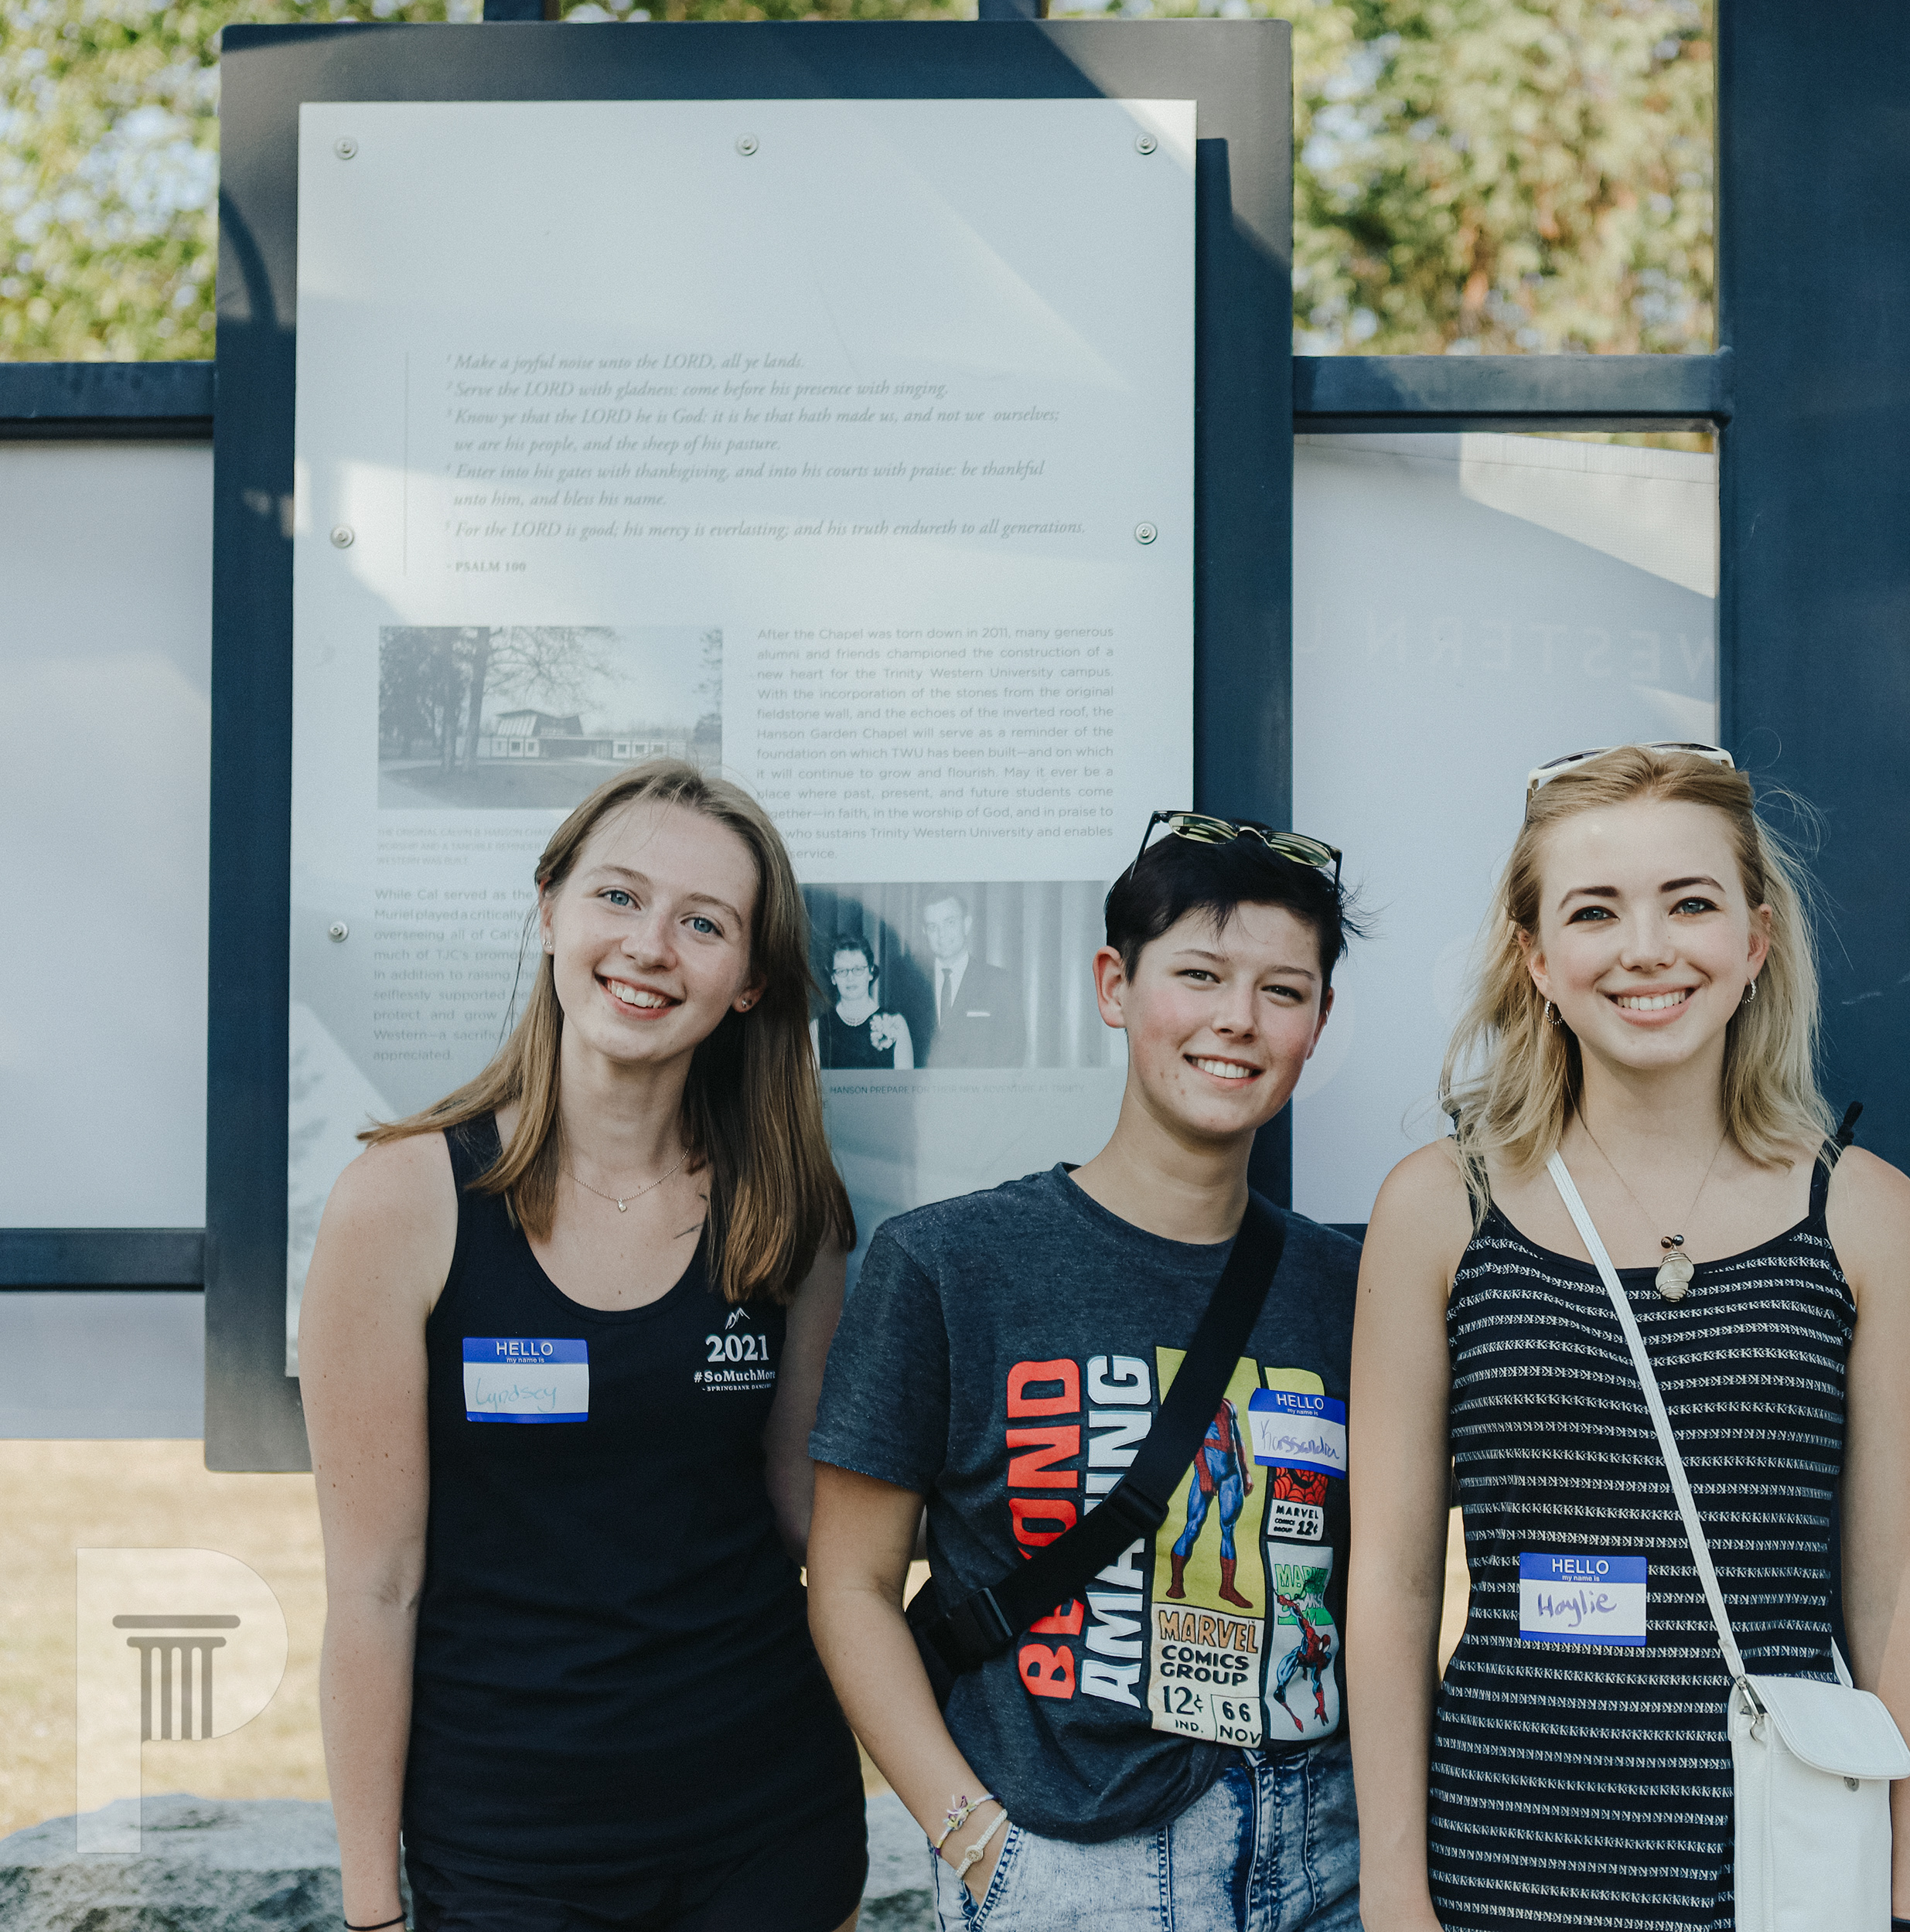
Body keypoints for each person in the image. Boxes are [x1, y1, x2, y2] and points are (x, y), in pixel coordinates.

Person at [1346, 743, 1910, 1932]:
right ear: (1536, 957)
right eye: (1594, 912)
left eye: (1690, 903)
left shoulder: (1864, 1214)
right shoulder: (1439, 1207)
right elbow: (1396, 1581)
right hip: (1500, 1869)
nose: (1646, 948)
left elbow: (1896, 1588)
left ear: (1756, 940)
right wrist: (1394, 1893)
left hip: (1779, 1874)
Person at [302, 759, 867, 1932]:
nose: (650, 947)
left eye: (703, 923)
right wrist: (370, 1909)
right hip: (512, 1851)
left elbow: (811, 1521)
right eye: (619, 896)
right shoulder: (402, 1203)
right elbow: (374, 1586)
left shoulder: (789, 1211)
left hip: (771, 1830)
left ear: (750, 982)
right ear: (550, 907)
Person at [805, 810, 1366, 1932]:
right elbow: (851, 1587)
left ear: (1318, 1022)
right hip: (1075, 1869)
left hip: (1324, 1857)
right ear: (1116, 985)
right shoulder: (949, 1267)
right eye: (1199, 974)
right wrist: (979, 1843)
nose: (1237, 1019)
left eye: (1282, 990)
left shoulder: (1350, 1286)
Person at [917, 888, 1028, 1067]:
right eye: (933, 927)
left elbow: (1012, 1054)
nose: (941, 934)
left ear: (967, 924)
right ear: (924, 932)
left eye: (950, 923)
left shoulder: (1001, 983)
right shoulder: (910, 985)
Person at [817, 933, 913, 1071]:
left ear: (870, 972)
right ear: (833, 977)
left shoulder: (896, 1024)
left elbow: (905, 1083)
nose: (850, 978)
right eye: (842, 971)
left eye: (858, 969)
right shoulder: (817, 1028)